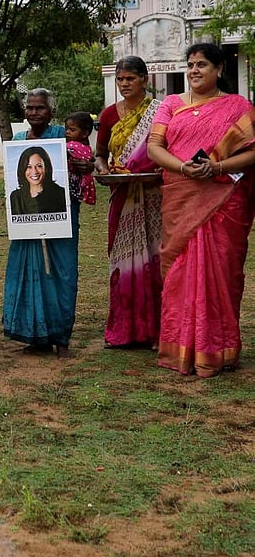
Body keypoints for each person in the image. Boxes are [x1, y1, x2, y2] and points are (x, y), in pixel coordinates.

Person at [146, 43, 255, 377]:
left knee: (221, 272)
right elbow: (154, 147)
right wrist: (182, 168)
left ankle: (216, 350)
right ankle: (180, 348)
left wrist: (217, 168)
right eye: (190, 65)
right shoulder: (170, 104)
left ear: (219, 69)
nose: (194, 71)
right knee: (179, 273)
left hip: (223, 202)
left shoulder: (238, 107)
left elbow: (253, 153)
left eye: (202, 65)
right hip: (181, 197)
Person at [2, 88, 94, 359]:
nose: (34, 113)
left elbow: (84, 160)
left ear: (51, 111)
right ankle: (35, 335)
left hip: (61, 220)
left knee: (63, 274)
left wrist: (85, 166)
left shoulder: (63, 137)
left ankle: (61, 336)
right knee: (29, 274)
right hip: (26, 222)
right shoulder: (18, 140)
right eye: (29, 108)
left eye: (40, 108)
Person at [94, 56, 163, 349]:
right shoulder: (109, 115)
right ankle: (123, 330)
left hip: (154, 195)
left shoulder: (160, 112)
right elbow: (99, 154)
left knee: (155, 260)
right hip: (121, 195)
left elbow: (166, 149)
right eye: (120, 79)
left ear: (144, 80)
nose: (124, 84)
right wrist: (102, 169)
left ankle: (156, 331)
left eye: (130, 79)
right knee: (121, 261)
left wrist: (160, 171)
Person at [8, 146, 67, 214]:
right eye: (29, 167)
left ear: (46, 167)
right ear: (22, 169)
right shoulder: (16, 197)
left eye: (39, 166)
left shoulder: (60, 194)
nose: (34, 172)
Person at [64, 111, 97, 207]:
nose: (67, 132)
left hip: (71, 187)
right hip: (78, 187)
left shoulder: (72, 146)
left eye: (72, 130)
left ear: (85, 133)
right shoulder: (87, 148)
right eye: (66, 129)